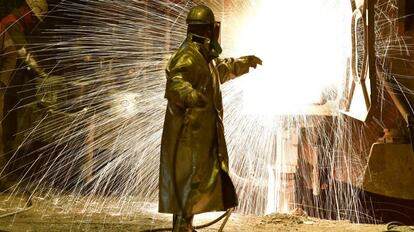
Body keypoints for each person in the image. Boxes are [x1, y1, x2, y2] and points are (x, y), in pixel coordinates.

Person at [159, 5, 262, 232]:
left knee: (194, 184)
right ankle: (181, 227)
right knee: (186, 183)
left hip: (199, 135)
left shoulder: (203, 56)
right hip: (187, 137)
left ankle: (185, 226)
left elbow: (221, 69)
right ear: (208, 30)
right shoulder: (187, 56)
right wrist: (191, 95)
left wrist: (244, 62)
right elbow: (175, 83)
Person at [0, 0, 49, 189]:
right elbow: (23, 54)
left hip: (6, 86)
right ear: (28, 10)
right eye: (34, 18)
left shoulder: (15, 24)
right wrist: (42, 74)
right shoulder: (11, 23)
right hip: (2, 85)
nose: (33, 23)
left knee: (6, 129)